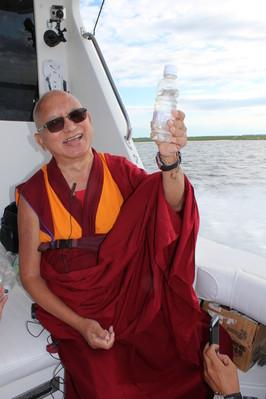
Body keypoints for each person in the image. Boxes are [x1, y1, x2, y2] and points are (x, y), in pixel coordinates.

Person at [17, 89, 231, 399]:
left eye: (77, 116)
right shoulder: (34, 194)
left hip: (135, 300)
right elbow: (31, 276)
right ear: (41, 139)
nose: (70, 127)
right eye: (54, 124)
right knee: (108, 388)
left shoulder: (120, 171)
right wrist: (80, 325)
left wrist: (169, 159)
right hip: (78, 309)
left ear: (88, 119)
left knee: (184, 357)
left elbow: (171, 205)